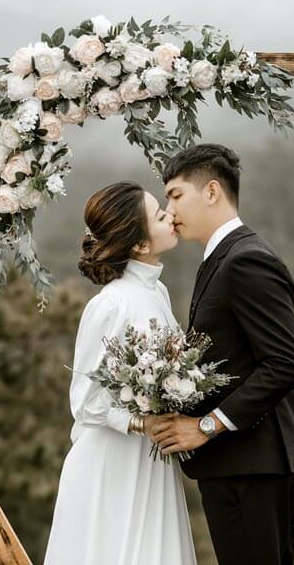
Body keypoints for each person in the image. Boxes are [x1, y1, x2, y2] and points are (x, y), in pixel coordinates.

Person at [150, 143, 294, 565]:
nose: (170, 208)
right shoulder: (219, 258)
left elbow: (286, 363)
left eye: (176, 194)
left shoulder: (247, 259)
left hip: (253, 464)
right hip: (236, 465)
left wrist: (206, 426)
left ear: (212, 191)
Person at [43, 181, 196, 565]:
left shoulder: (156, 293)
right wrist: (141, 423)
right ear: (140, 244)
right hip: (111, 465)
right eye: (160, 215)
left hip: (149, 460)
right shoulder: (110, 304)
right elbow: (84, 401)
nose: (170, 215)